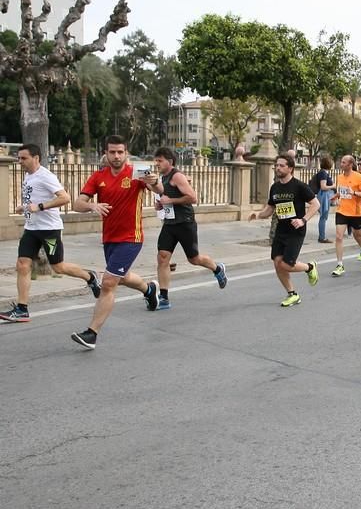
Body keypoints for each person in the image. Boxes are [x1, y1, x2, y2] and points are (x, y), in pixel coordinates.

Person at [70, 136, 161, 350]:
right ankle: (149, 289)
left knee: (109, 282)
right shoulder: (98, 176)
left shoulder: (139, 170)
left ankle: (92, 333)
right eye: (112, 152)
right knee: (122, 276)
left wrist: (155, 182)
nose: (116, 156)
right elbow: (77, 203)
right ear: (106, 153)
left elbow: (160, 191)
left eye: (120, 152)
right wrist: (92, 206)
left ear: (126, 152)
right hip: (109, 238)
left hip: (132, 237)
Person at [1, 144, 101, 322]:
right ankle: (22, 309)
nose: (20, 161)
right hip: (31, 229)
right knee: (22, 264)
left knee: (58, 267)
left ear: (36, 158)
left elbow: (65, 197)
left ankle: (90, 277)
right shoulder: (28, 175)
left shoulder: (46, 176)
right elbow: (34, 199)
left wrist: (39, 207)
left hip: (49, 230)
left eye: (24, 158)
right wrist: (24, 208)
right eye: (19, 158)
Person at [149, 147, 228, 310]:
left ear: (169, 162)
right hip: (169, 224)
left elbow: (192, 197)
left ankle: (217, 268)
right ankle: (163, 298)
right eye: (155, 160)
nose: (156, 163)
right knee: (162, 257)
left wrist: (170, 200)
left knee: (194, 259)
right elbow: (166, 199)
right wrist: (160, 205)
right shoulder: (162, 178)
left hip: (185, 223)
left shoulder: (177, 176)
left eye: (160, 160)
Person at [248, 153, 320, 306]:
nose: (277, 168)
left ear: (290, 168)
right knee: (277, 262)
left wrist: (303, 220)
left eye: (281, 165)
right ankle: (292, 294)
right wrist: (258, 214)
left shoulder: (299, 186)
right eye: (276, 165)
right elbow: (270, 209)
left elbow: (316, 204)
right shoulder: (275, 187)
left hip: (296, 230)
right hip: (281, 230)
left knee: (286, 264)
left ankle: (310, 267)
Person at [330, 155, 361, 277]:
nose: (341, 164)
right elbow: (341, 190)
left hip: (355, 212)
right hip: (341, 210)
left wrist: (354, 192)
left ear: (350, 164)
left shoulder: (358, 177)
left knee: (358, 236)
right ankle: (340, 264)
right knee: (338, 236)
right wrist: (336, 196)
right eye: (341, 162)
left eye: (343, 162)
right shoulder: (339, 177)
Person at [311, 156, 335, 243]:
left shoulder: (322, 172)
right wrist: (334, 186)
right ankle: (322, 237)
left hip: (323, 195)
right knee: (323, 216)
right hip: (324, 195)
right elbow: (323, 187)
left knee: (323, 216)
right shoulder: (323, 173)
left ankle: (322, 236)